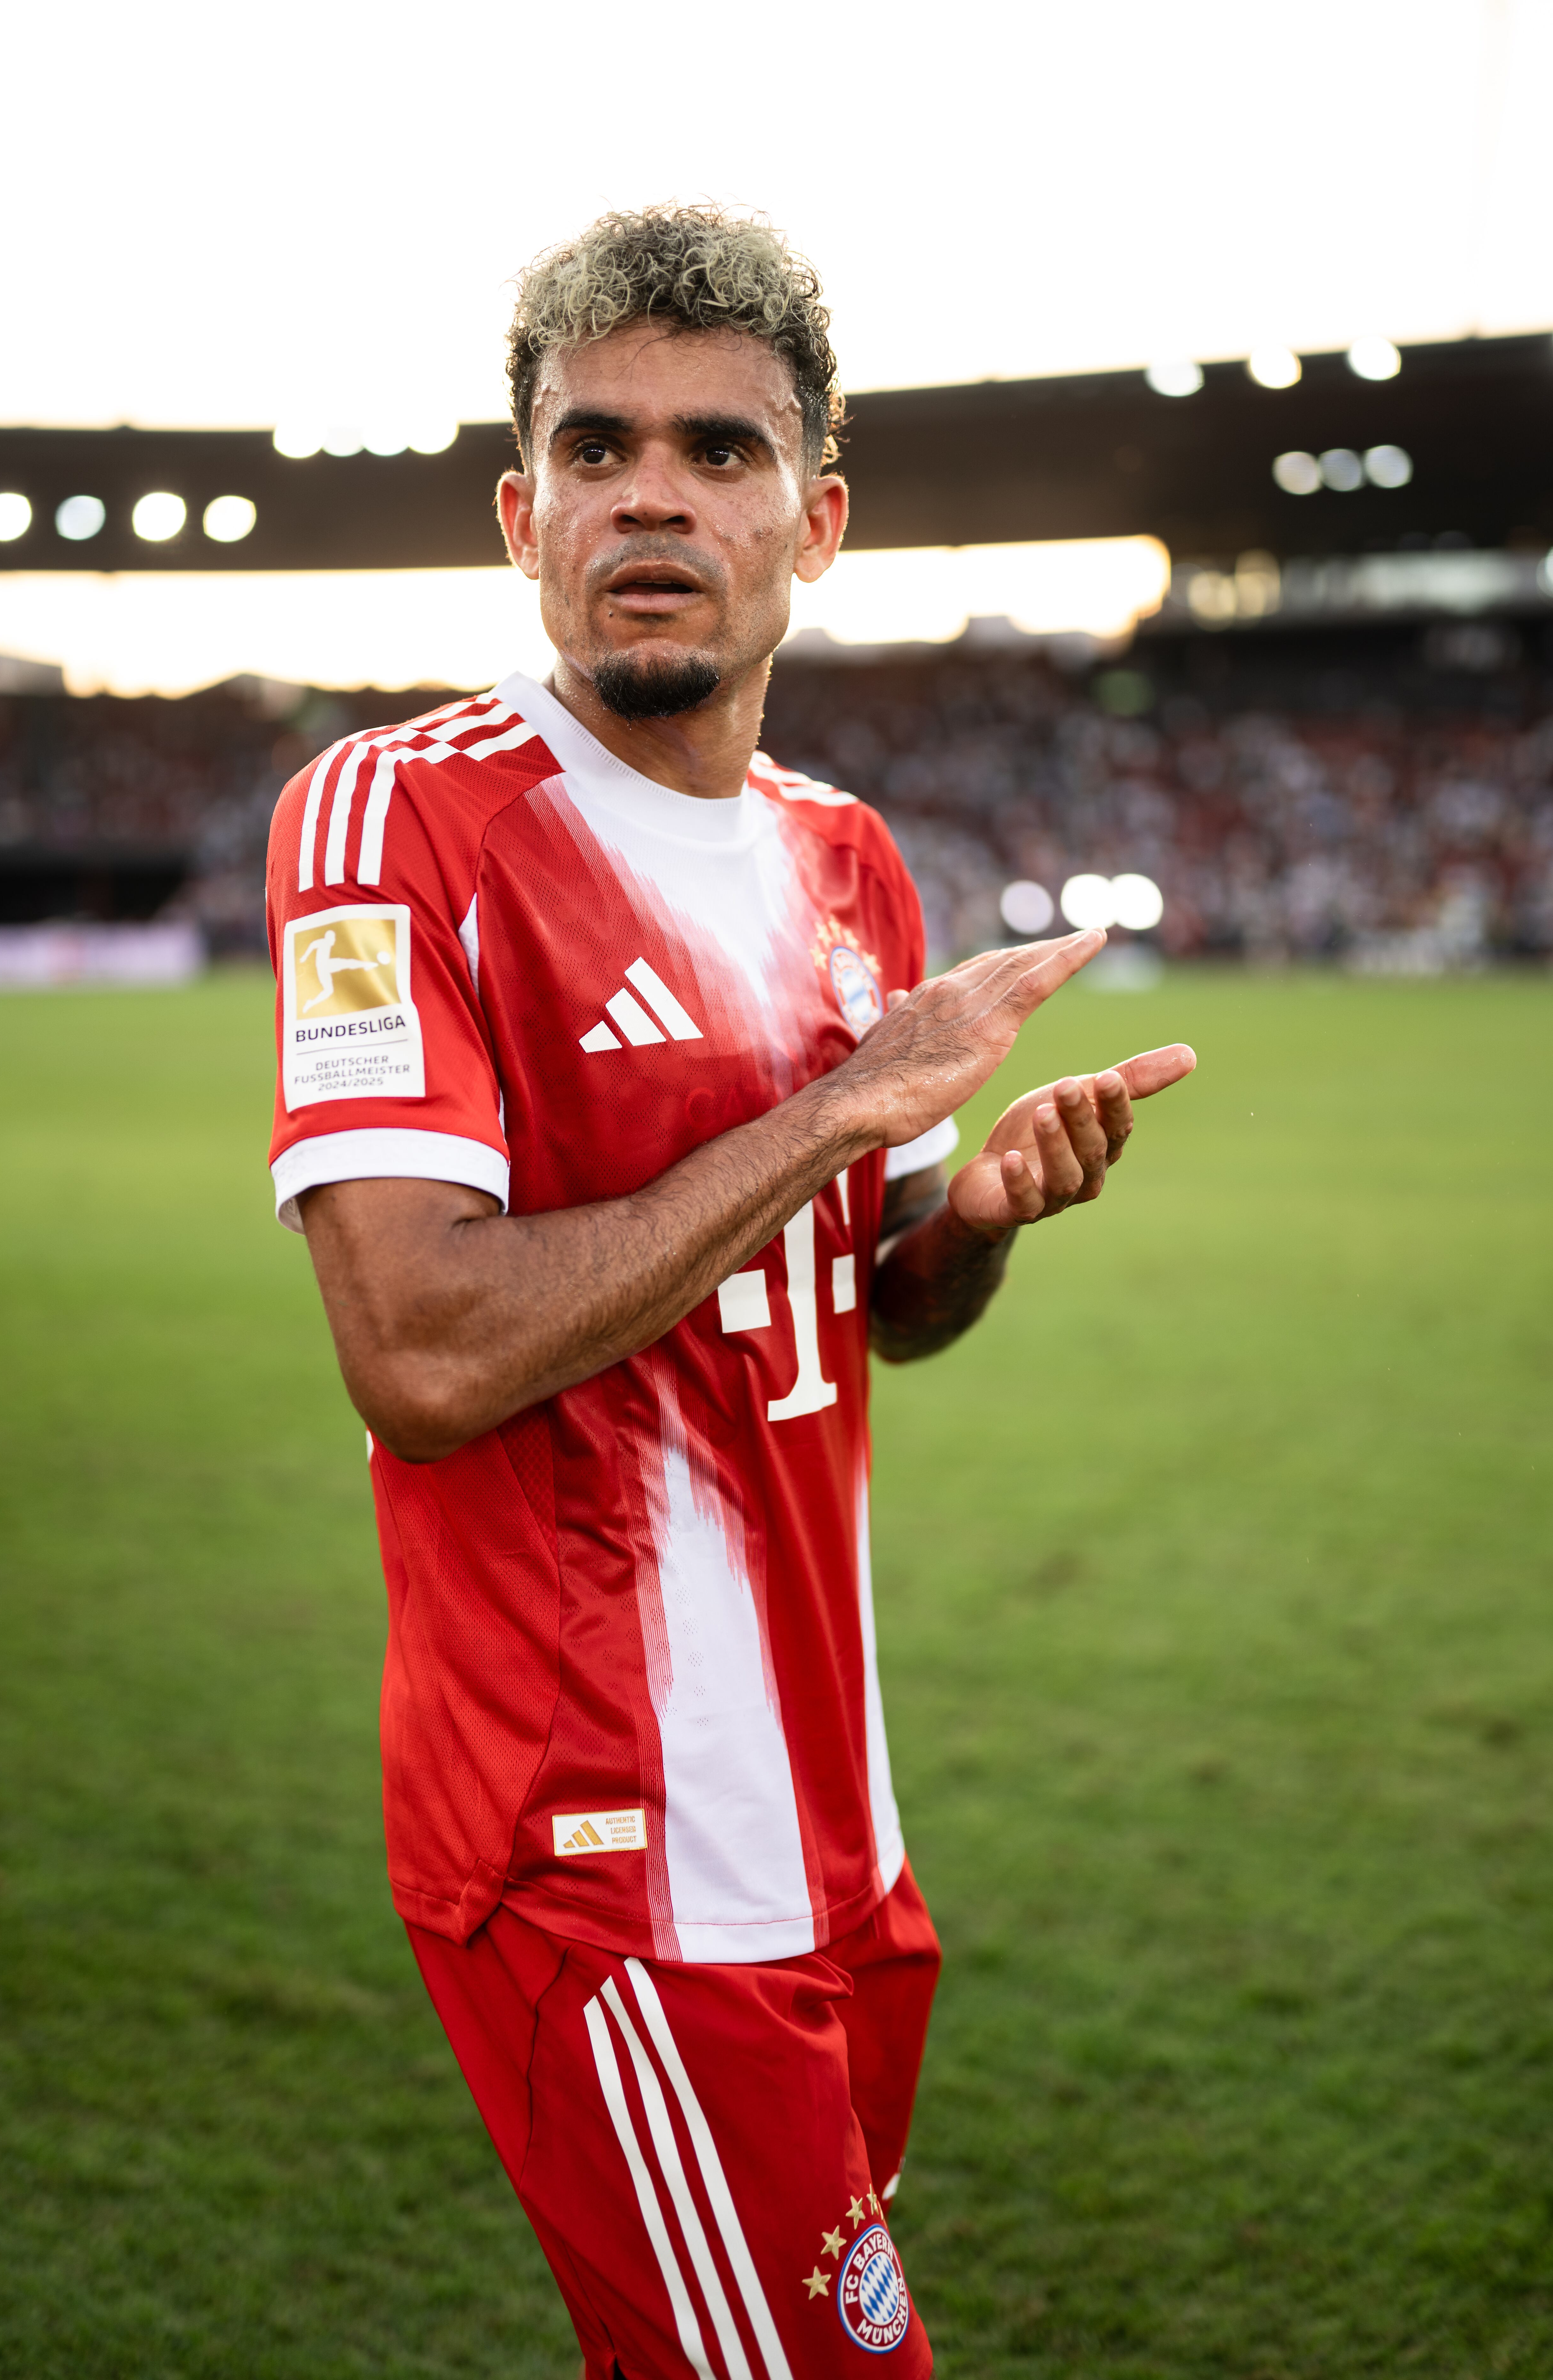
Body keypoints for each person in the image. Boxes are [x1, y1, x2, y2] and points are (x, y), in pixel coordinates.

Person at [264, 204, 1194, 2380]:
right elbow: (418, 1355)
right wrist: (842, 1107)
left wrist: (963, 1223)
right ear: (523, 514)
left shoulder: (848, 858)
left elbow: (869, 1307)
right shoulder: (398, 823)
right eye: (595, 448)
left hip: (835, 1836)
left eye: (718, 449)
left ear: (818, 520)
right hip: (598, 1856)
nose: (652, 495)